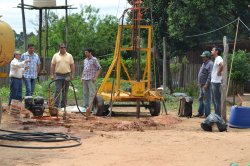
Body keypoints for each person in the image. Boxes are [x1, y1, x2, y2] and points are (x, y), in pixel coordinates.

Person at [50, 43, 75, 108]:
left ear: (65, 48)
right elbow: (52, 65)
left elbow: (72, 65)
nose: (63, 48)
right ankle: (55, 106)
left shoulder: (69, 56)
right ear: (59, 48)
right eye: (61, 47)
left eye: (64, 47)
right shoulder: (55, 55)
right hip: (58, 75)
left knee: (65, 91)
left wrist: (72, 75)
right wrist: (52, 74)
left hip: (67, 75)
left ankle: (63, 106)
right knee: (58, 90)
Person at [194, 51, 213, 118]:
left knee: (206, 100)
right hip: (202, 84)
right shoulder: (204, 63)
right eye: (202, 56)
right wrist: (199, 82)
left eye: (204, 56)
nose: (202, 57)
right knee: (201, 98)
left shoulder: (210, 64)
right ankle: (200, 113)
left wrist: (207, 84)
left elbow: (210, 75)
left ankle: (207, 114)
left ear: (207, 57)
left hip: (206, 85)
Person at [211, 46, 223, 116]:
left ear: (216, 52)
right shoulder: (216, 59)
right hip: (214, 82)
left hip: (216, 82)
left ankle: (218, 116)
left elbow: (222, 65)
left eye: (212, 50)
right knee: (214, 99)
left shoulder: (219, 58)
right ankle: (216, 114)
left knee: (217, 100)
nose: (211, 51)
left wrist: (219, 72)